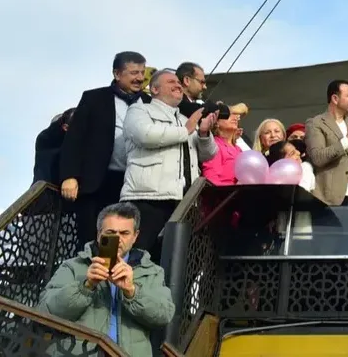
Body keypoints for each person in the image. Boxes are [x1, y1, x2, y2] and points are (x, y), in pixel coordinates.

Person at [39, 202, 174, 357]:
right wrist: (85, 287)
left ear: (135, 236)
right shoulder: (73, 266)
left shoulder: (152, 271)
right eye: (111, 232)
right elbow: (45, 311)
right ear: (99, 235)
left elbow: (164, 315)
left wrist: (132, 291)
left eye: (124, 233)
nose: (117, 239)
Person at [121, 69, 218, 261]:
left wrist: (204, 133)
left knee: (178, 261)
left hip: (183, 201)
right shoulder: (140, 110)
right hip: (148, 197)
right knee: (139, 258)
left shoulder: (185, 120)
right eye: (171, 82)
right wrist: (186, 130)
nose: (178, 85)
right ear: (154, 89)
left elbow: (208, 154)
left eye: (179, 83)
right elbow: (145, 135)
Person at [60, 52, 151, 247]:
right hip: (97, 181)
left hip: (132, 184)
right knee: (92, 239)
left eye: (142, 72)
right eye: (134, 72)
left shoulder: (149, 102)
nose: (140, 78)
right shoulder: (94, 98)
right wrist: (69, 176)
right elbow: (74, 140)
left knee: (123, 240)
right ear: (117, 74)